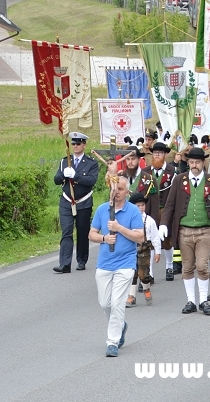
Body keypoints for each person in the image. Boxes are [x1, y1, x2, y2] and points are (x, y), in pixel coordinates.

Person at [160, 147, 210, 316]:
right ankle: (191, 301)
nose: (194, 165)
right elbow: (170, 205)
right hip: (184, 231)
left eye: (197, 162)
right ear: (187, 163)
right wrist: (164, 224)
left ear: (203, 163)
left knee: (202, 266)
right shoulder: (179, 180)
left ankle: (203, 300)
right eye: (191, 162)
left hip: (204, 231)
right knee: (187, 267)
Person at [88, 176, 144, 357]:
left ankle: (112, 342)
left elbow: (140, 237)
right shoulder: (103, 209)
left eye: (121, 189)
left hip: (125, 263)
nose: (117, 192)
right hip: (104, 263)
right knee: (105, 303)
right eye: (115, 188)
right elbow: (92, 234)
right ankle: (120, 325)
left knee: (117, 302)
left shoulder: (133, 211)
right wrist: (104, 238)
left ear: (127, 192)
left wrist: (119, 228)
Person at [53, 132, 99, 273]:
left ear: (84, 145)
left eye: (78, 144)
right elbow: (56, 180)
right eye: (73, 144)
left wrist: (76, 176)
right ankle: (65, 264)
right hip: (67, 201)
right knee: (66, 232)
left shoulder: (91, 163)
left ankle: (81, 260)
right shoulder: (65, 161)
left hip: (83, 201)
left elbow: (91, 181)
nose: (75, 146)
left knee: (82, 231)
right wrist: (63, 174)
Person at [143, 142, 177, 280]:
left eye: (160, 153)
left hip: (165, 210)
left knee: (167, 240)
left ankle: (169, 266)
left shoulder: (173, 172)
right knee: (149, 240)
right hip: (150, 210)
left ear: (165, 155)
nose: (157, 155)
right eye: (155, 153)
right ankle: (149, 271)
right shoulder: (145, 172)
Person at [125, 192, 161, 307]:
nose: (140, 208)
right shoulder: (128, 219)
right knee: (132, 273)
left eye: (142, 205)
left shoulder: (149, 220)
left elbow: (155, 236)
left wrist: (158, 251)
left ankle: (146, 288)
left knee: (143, 273)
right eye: (137, 206)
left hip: (145, 249)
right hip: (131, 249)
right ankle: (132, 296)